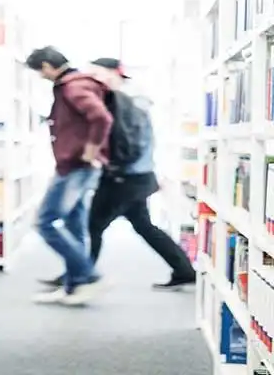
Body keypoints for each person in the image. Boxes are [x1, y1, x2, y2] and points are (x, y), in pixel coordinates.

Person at [39, 57, 197, 290]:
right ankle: (183, 270)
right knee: (143, 225)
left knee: (93, 224)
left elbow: (129, 143)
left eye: (98, 73)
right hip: (136, 176)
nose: (94, 79)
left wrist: (105, 161)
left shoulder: (126, 102)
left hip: (125, 177)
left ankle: (82, 275)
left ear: (114, 73)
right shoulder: (126, 99)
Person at [24, 46, 114, 305]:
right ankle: (73, 286)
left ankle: (90, 276)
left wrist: (90, 151)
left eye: (40, 72)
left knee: (45, 222)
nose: (41, 77)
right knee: (74, 225)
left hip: (75, 166)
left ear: (47, 67)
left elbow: (101, 118)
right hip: (78, 166)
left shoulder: (72, 87)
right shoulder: (78, 84)